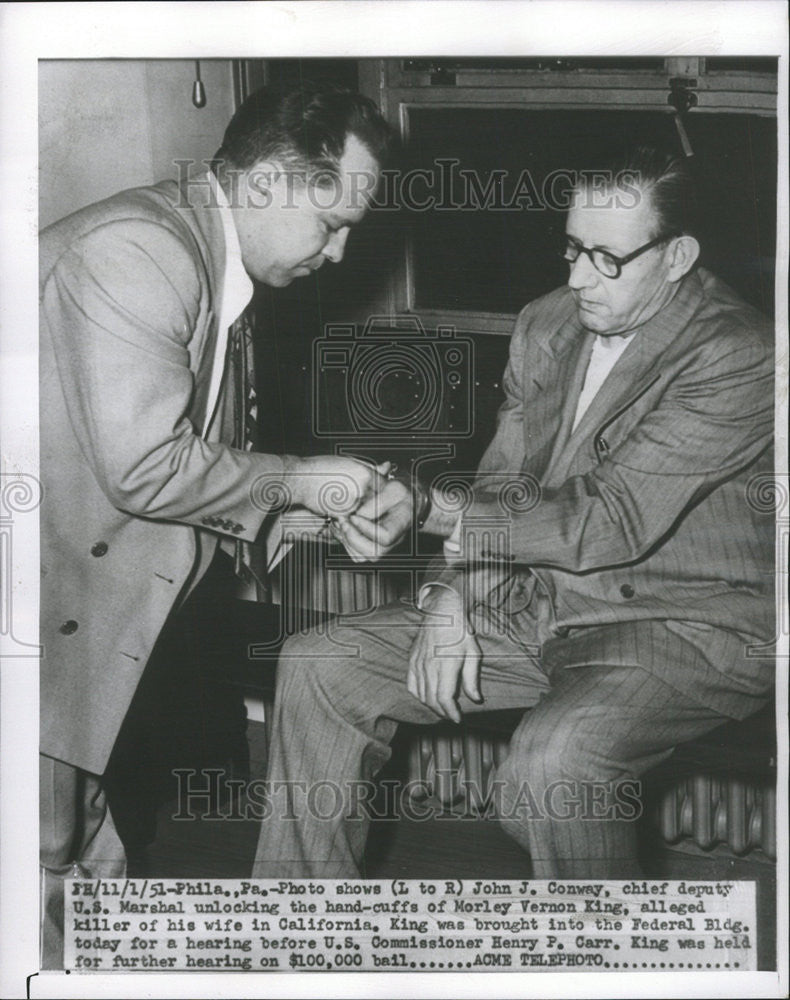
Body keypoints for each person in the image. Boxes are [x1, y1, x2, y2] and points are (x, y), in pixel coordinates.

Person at [251, 146, 775, 880]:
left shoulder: (738, 353)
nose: (576, 276)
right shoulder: (547, 322)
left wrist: (429, 507)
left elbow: (609, 519)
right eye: (570, 247)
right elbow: (504, 485)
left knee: (553, 766)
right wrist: (446, 599)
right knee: (319, 665)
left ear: (678, 255)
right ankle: (293, 939)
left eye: (605, 257)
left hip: (679, 624)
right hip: (536, 603)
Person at [39, 83, 392, 965]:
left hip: (85, 603)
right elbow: (147, 468)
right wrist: (304, 481)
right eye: (333, 222)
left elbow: (212, 474)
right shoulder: (140, 252)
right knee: (44, 853)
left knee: (88, 849)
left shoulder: (205, 261)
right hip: (39, 611)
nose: (342, 254)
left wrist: (316, 516)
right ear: (270, 180)